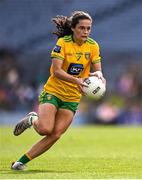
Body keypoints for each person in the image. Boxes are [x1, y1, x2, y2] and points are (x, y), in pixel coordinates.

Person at [11, 11, 106, 170]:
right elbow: (56, 71)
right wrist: (77, 80)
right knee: (44, 129)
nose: (85, 31)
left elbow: (98, 70)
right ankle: (32, 119)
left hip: (73, 97)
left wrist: (100, 77)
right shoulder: (63, 43)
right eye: (82, 28)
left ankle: (20, 162)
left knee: (55, 134)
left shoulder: (93, 46)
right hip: (54, 91)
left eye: (88, 28)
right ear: (73, 28)